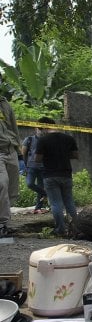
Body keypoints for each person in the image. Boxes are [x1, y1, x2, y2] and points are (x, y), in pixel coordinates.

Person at [34, 116, 79, 237]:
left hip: (50, 175)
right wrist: (63, 155)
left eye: (39, 128)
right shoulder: (68, 138)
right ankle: (76, 228)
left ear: (43, 127)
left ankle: (61, 230)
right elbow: (76, 155)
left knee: (56, 204)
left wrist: (48, 155)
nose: (39, 131)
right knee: (69, 202)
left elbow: (37, 159)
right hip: (66, 174)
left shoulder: (42, 140)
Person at [0, 79, 20, 238]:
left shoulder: (5, 104)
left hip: (11, 149)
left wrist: (18, 147)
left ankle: (6, 222)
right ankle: (2, 222)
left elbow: (14, 126)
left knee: (12, 188)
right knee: (2, 183)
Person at [22, 126, 49, 214]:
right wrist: (25, 166)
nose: (41, 130)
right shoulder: (29, 139)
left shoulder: (47, 140)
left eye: (43, 128)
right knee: (30, 184)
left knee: (40, 187)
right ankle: (46, 193)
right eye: (39, 128)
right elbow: (23, 153)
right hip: (31, 167)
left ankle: (38, 208)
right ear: (36, 129)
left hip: (43, 168)